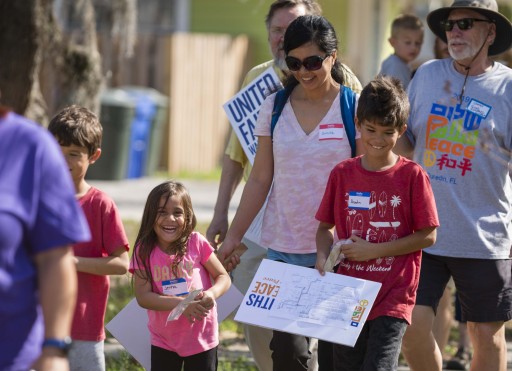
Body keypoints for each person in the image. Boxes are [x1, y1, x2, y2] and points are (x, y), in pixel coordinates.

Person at [206, 1, 362, 370]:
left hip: (340, 253)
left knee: (337, 359)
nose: (304, 71)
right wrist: (233, 238)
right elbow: (259, 178)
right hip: (283, 251)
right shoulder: (273, 106)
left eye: (313, 62)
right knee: (289, 357)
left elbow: (367, 176)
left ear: (332, 56)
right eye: (294, 63)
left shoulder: (353, 106)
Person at [395, 1, 512, 370]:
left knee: (486, 338)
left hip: (485, 237)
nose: (454, 32)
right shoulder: (428, 74)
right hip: (424, 231)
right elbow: (407, 140)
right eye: (449, 25)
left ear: (490, 32)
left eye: (465, 23)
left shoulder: (508, 87)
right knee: (410, 326)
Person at [314, 75, 439, 370]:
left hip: (393, 297)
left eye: (387, 132)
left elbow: (428, 235)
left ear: (402, 131)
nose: (377, 139)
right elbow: (324, 228)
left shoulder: (413, 176)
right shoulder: (342, 173)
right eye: (370, 129)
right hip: (348, 294)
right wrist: (322, 257)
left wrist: (374, 251)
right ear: (358, 124)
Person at [0, 106, 91, 371]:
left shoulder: (29, 144)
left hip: (11, 353)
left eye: (74, 154)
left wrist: (54, 349)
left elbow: (55, 258)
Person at [48, 105, 130, 371]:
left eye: (73, 154)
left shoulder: (101, 205)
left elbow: (121, 264)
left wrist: (72, 262)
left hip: (84, 330)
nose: (64, 162)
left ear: (94, 156)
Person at [130, 181, 231, 371]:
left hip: (202, 338)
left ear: (188, 216)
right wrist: (182, 304)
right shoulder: (143, 250)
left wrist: (212, 294)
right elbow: (143, 297)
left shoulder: (196, 242)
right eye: (161, 212)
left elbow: (223, 277)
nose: (170, 219)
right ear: (151, 216)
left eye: (177, 212)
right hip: (163, 340)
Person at [379, 14, 424, 89]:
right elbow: (394, 96)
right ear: (392, 42)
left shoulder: (402, 64)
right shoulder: (395, 66)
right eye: (407, 42)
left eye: (418, 43)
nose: (413, 47)